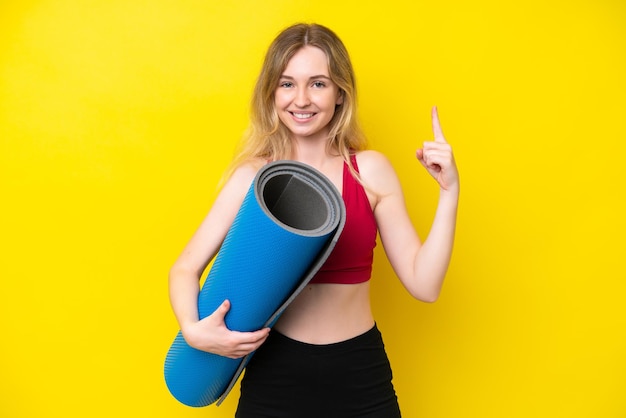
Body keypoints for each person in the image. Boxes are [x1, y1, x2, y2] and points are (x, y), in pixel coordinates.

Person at [168, 23, 459, 417]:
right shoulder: (253, 178)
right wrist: (192, 329)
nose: (301, 99)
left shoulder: (369, 172)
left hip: (359, 371)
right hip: (274, 371)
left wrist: (449, 193)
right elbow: (185, 268)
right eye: (287, 84)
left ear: (340, 93)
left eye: (318, 84)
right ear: (271, 93)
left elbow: (424, 285)